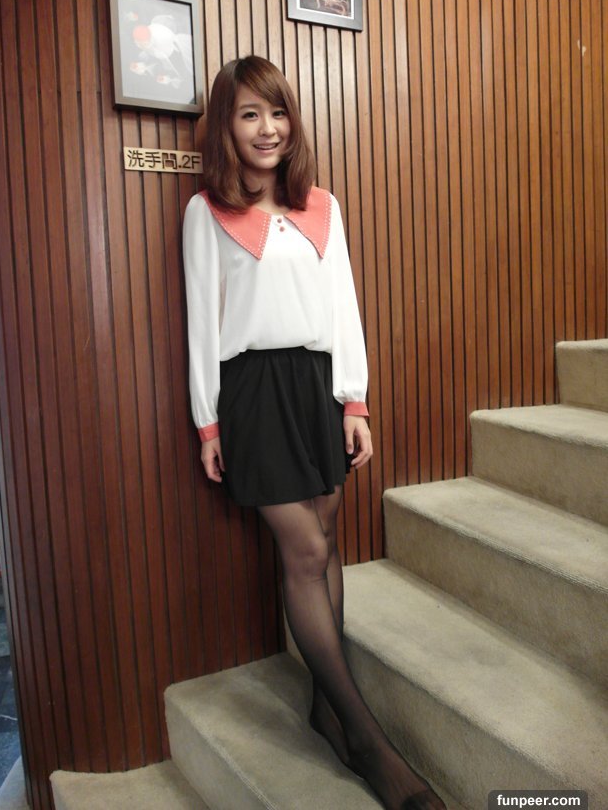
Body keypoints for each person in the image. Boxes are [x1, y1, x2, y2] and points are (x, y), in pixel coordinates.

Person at [183, 55, 445, 810]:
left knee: (326, 542)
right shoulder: (206, 212)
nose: (268, 129)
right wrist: (208, 420)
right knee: (303, 552)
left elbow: (344, 311)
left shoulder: (322, 206)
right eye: (249, 115)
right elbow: (201, 325)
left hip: (317, 389)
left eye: (278, 113)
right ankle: (365, 741)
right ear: (227, 129)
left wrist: (354, 403)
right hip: (254, 393)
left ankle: (326, 709)